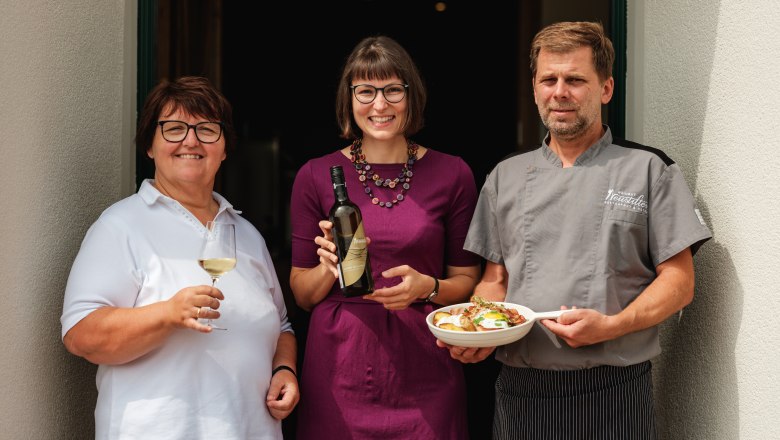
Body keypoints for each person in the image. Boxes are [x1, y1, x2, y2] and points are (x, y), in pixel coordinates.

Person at [438, 21, 713, 439]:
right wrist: (479, 332)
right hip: (520, 393)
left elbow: (680, 282)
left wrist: (613, 326)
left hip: (614, 390)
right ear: (534, 88)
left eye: (575, 79)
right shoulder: (504, 177)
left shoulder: (648, 170)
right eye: (549, 79)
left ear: (605, 88)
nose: (559, 91)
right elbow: (495, 280)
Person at [61, 76, 298, 439]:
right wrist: (168, 314)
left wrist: (285, 370)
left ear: (224, 148)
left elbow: (281, 326)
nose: (191, 140)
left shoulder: (247, 234)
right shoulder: (121, 226)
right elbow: (80, 335)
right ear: (150, 147)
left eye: (206, 129)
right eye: (174, 129)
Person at [289, 35, 481, 439]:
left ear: (412, 95)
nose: (380, 105)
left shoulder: (454, 174)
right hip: (340, 371)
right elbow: (303, 296)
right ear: (349, 98)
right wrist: (328, 268)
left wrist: (426, 288)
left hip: (428, 366)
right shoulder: (314, 175)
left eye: (393, 89)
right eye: (366, 91)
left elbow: (467, 284)